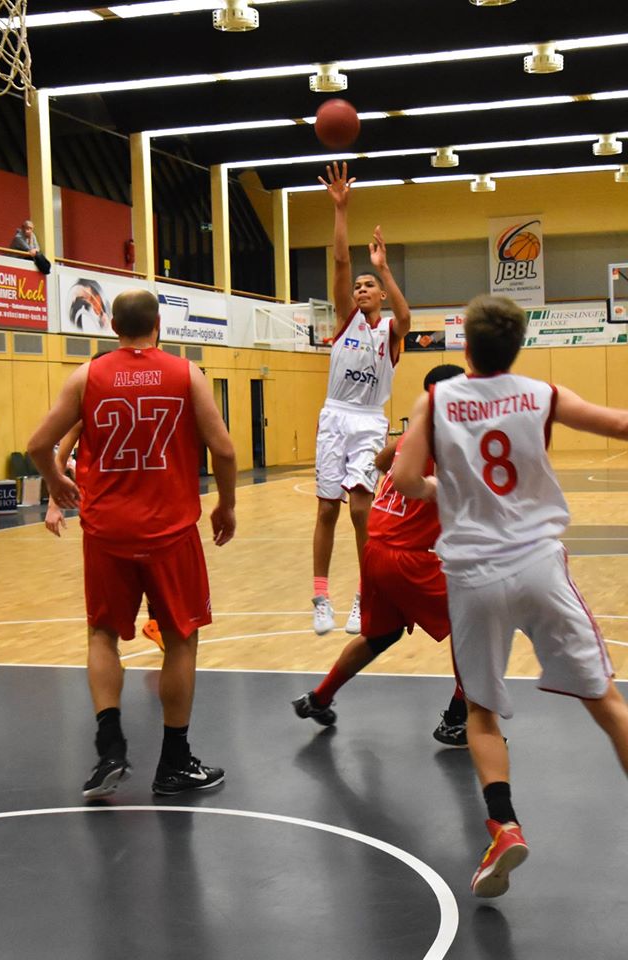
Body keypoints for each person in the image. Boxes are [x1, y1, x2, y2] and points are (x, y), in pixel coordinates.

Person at [392, 293, 628, 899]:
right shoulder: (544, 395)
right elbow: (623, 424)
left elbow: (404, 479)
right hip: (540, 567)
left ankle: (504, 825)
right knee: (603, 699)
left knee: (480, 711)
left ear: (463, 345)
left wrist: (447, 489)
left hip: (474, 574)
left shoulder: (437, 400)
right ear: (519, 346)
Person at [28, 288, 237, 799]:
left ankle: (110, 749)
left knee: (102, 633)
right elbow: (225, 450)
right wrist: (226, 504)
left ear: (112, 326)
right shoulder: (188, 374)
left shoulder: (88, 375)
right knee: (180, 638)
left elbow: (37, 444)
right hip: (169, 532)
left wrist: (55, 482)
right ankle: (174, 761)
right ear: (158, 324)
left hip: (107, 531)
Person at [295, 363, 468, 744]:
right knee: (471, 621)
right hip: (408, 556)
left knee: (381, 634)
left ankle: (319, 697)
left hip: (377, 547)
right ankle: (459, 717)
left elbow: (381, 460)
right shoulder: (449, 436)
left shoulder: (414, 433)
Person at [312, 161, 411, 636]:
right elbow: (340, 263)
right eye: (359, 286)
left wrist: (384, 268)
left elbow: (405, 312)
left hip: (370, 419)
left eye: (368, 286)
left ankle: (363, 594)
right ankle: (320, 596)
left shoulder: (391, 331)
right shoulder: (345, 323)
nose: (361, 287)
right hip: (335, 415)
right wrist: (341, 210)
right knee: (327, 508)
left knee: (359, 508)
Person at [44, 353, 165, 652]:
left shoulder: (136, 405)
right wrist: (53, 503)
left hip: (144, 503)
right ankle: (112, 653)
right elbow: (58, 455)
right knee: (110, 604)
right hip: (105, 510)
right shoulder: (86, 410)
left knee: (151, 569)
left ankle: (153, 623)